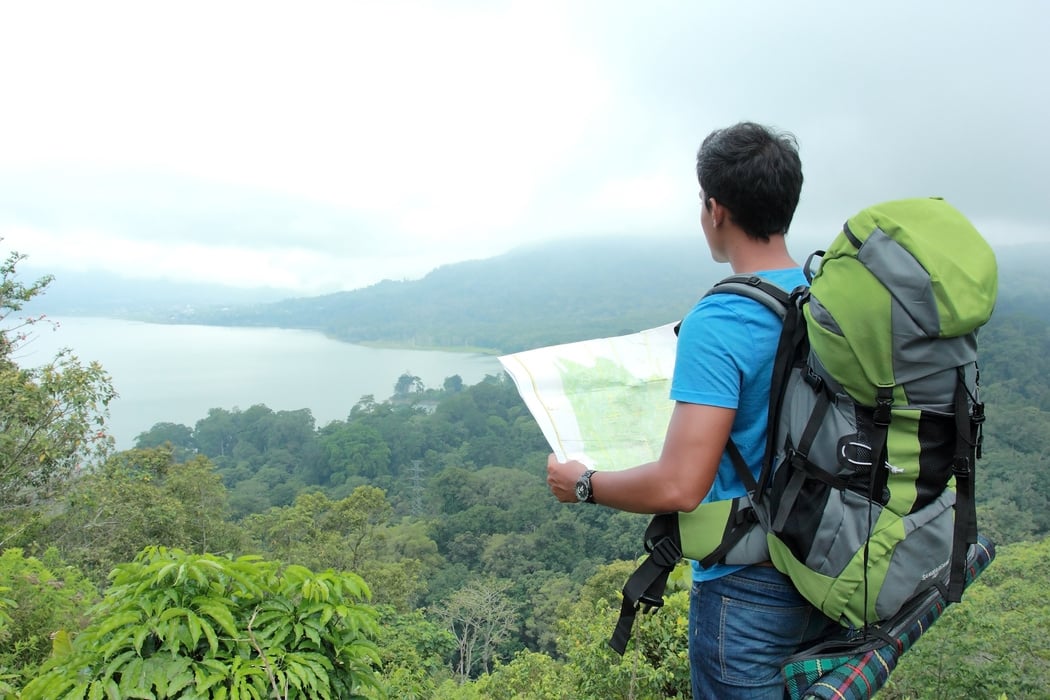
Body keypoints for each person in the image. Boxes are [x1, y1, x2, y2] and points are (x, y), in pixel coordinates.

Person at [546, 121, 831, 699]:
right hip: (830, 567)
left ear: (715, 208)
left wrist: (583, 484)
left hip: (749, 592)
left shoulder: (723, 319)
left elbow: (680, 486)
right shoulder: (824, 296)